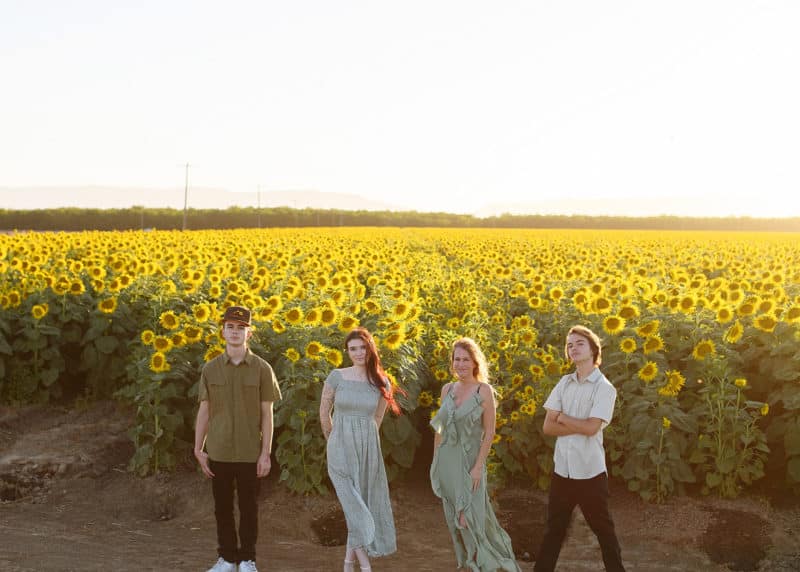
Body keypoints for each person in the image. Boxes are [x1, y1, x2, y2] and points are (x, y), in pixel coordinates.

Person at [194, 305, 282, 572]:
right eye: (230, 327)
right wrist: (199, 448)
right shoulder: (210, 369)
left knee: (248, 508)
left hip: (248, 452)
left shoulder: (262, 369)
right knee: (221, 508)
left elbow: (268, 414)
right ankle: (227, 559)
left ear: (249, 333)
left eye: (240, 328)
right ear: (222, 331)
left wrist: (265, 453)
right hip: (218, 450)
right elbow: (205, 410)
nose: (235, 332)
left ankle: (247, 560)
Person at [534, 325, 625, 572]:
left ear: (594, 349)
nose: (573, 348)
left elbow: (592, 428)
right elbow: (548, 427)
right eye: (569, 344)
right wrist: (577, 423)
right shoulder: (564, 383)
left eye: (579, 343)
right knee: (553, 531)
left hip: (590, 473)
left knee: (604, 533)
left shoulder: (604, 388)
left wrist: (563, 417)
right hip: (562, 471)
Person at [430, 337, 520, 572]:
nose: (460, 364)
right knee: (455, 519)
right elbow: (439, 427)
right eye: (456, 359)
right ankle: (471, 562)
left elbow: (489, 432)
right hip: (447, 460)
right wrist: (435, 460)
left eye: (465, 359)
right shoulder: (447, 389)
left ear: (475, 362)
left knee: (468, 517)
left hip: (470, 462)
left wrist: (479, 466)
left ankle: (484, 563)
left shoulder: (484, 390)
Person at [319, 327, 399, 572]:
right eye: (353, 348)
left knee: (360, 502)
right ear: (347, 351)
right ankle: (365, 567)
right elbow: (324, 412)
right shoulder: (336, 376)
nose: (358, 353)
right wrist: (333, 439)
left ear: (370, 348)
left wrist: (365, 442)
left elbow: (377, 418)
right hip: (339, 446)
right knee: (352, 502)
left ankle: (348, 563)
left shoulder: (381, 382)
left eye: (363, 347)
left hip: (367, 450)